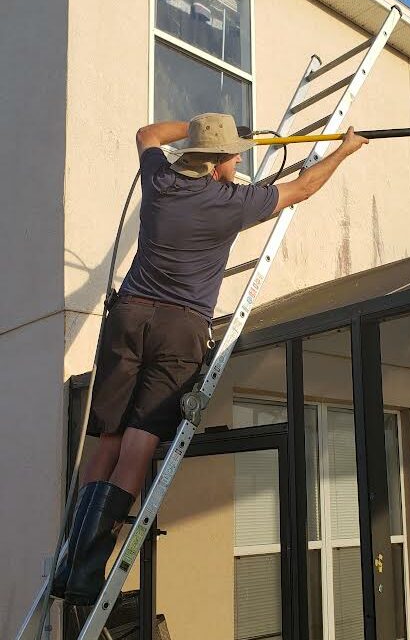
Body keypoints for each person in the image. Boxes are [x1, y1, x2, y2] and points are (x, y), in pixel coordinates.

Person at [53, 112, 368, 605]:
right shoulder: (233, 203)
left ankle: (72, 562)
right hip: (180, 330)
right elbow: (304, 188)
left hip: (129, 317)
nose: (240, 160)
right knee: (137, 445)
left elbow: (146, 134)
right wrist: (346, 150)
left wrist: (198, 127)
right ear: (219, 163)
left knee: (108, 441)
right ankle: (90, 572)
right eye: (234, 154)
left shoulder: (160, 181)